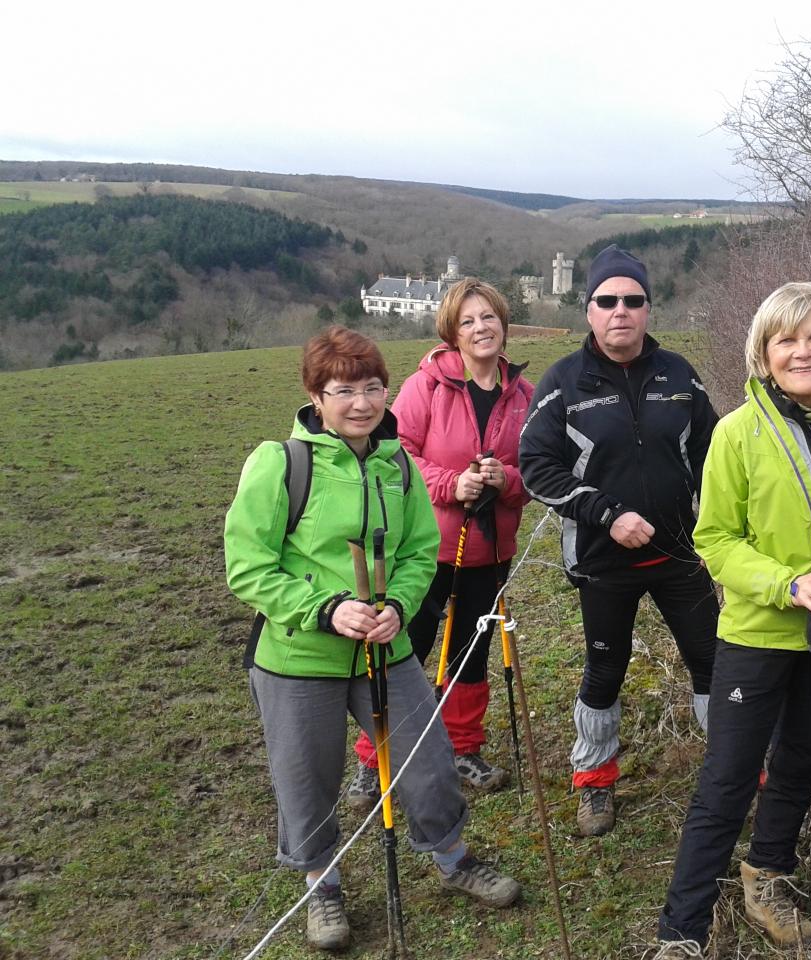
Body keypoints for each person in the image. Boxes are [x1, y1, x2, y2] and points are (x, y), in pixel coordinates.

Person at [225, 326, 520, 952]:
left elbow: (419, 553)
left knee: (430, 759)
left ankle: (453, 858)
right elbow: (248, 566)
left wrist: (397, 606)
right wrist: (326, 608)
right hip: (297, 658)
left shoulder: (398, 467)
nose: (361, 403)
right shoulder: (280, 463)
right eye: (344, 390)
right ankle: (322, 886)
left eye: (372, 388)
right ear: (315, 394)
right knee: (307, 777)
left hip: (386, 649)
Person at [654, 282, 811, 956]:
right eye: (786, 340)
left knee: (803, 758)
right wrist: (789, 584)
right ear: (763, 354)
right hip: (759, 630)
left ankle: (768, 874)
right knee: (729, 775)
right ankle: (682, 929)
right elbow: (715, 539)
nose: (803, 351)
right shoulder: (738, 431)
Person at [519, 244, 719, 838]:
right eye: (607, 301)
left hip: (681, 554)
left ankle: (732, 768)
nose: (620, 311)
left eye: (633, 300)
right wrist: (607, 513)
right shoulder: (562, 383)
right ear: (589, 310)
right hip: (604, 560)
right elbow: (535, 466)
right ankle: (595, 781)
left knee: (711, 659)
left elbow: (717, 455)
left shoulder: (681, 375)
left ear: (648, 309)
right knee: (604, 669)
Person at [347, 279, 533, 806]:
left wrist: (505, 482)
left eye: (489, 317)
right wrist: (453, 485)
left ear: (504, 323)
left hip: (490, 549)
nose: (481, 328)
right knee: (407, 648)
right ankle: (373, 757)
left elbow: (536, 471)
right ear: (452, 331)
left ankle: (462, 748)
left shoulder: (524, 395)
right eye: (469, 321)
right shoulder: (425, 386)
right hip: (426, 549)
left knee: (470, 656)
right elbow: (394, 452)